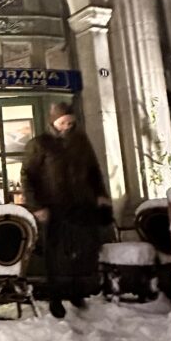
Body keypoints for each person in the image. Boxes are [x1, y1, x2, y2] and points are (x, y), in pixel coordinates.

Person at [21, 101, 112, 318]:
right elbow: (28, 176)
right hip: (54, 207)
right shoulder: (40, 144)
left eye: (71, 122)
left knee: (81, 251)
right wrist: (37, 206)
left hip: (82, 205)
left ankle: (76, 292)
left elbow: (93, 171)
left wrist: (101, 195)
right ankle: (55, 297)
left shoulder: (81, 142)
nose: (68, 126)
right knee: (56, 254)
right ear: (54, 122)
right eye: (63, 122)